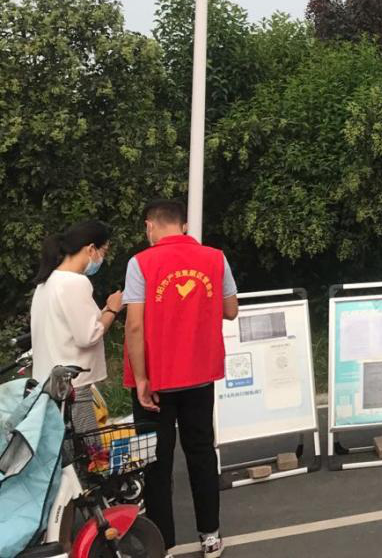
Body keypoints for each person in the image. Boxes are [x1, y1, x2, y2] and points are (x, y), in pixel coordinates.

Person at [123, 200, 238, 558]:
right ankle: (211, 535)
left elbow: (134, 325)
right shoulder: (215, 258)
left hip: (156, 380)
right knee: (201, 453)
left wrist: (141, 378)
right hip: (199, 375)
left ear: (150, 226)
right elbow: (231, 310)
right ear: (184, 225)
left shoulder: (140, 263)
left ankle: (163, 545)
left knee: (156, 462)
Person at [30, 219, 123, 391]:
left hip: (47, 384)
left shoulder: (46, 282)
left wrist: (106, 309)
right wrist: (112, 309)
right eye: (104, 251)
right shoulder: (75, 282)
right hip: (72, 387)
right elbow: (88, 336)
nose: (103, 258)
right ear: (91, 249)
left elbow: (70, 327)